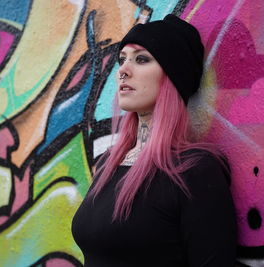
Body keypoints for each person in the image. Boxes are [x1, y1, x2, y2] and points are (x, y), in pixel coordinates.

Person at [72, 14, 237, 267]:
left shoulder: (194, 171)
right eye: (122, 60)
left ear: (172, 76)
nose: (123, 71)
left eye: (141, 59)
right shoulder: (108, 164)